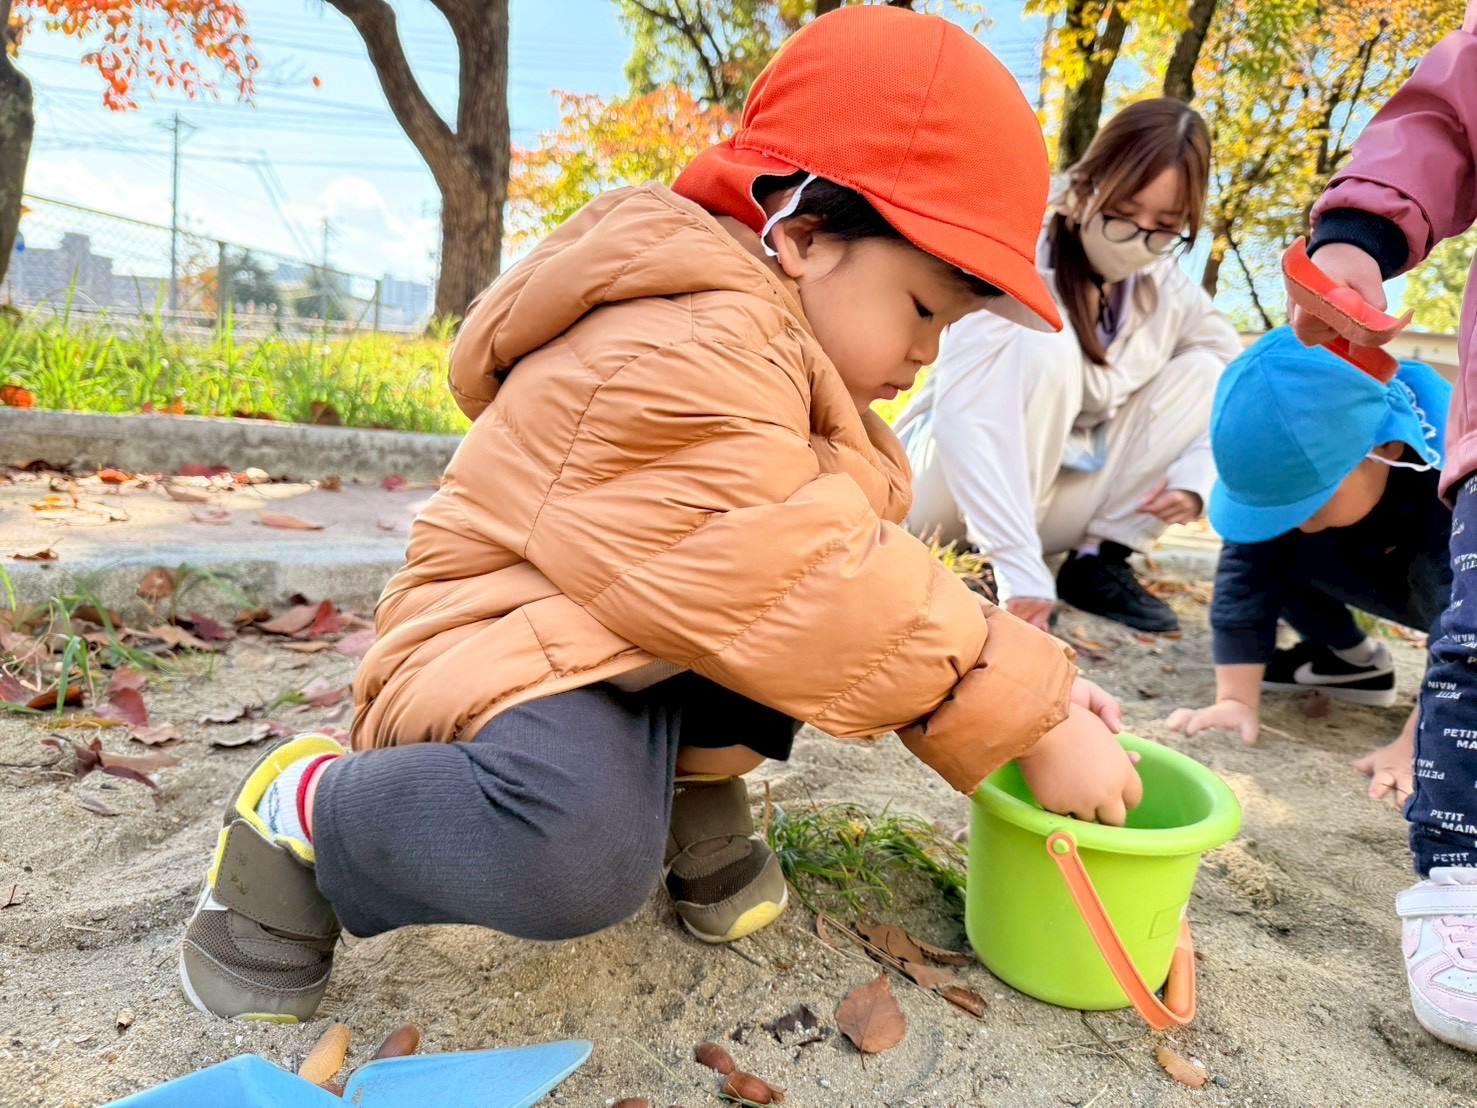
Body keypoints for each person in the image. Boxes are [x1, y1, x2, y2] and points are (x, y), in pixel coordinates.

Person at [175, 7, 1141, 1025]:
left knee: (798, 651)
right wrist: (1029, 715)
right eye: (923, 309)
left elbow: (831, 563)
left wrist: (1040, 689)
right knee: (573, 854)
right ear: (804, 237)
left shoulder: (774, 349)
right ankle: (304, 815)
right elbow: (801, 568)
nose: (926, 355)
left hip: (607, 638)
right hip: (489, 651)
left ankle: (682, 793)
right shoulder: (681, 339)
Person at [1287, 10, 1477, 1051]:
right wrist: (1359, 236)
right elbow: (1444, 110)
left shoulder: (1398, 497)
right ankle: (1457, 876)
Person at [895, 98, 1242, 635]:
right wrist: (1015, 559)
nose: (1138, 237)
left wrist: (1198, 474)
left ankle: (1099, 558)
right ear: (1086, 185)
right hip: (945, 484)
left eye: (1163, 226)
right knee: (1040, 333)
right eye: (1124, 212)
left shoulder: (1164, 286)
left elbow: (1236, 375)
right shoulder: (1017, 243)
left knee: (1206, 372)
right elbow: (967, 415)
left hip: (1050, 503)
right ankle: (995, 562)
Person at [1166, 328, 1451, 807]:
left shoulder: (1457, 485)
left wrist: (1419, 747)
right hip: (1389, 564)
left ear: (1387, 448)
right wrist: (1235, 699)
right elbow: (1245, 576)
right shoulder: (1314, 486)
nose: (1295, 518)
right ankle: (1350, 662)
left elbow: (1468, 635)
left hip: (1453, 570)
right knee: (1269, 543)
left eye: (1309, 499)